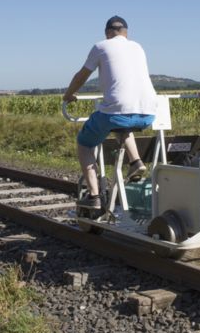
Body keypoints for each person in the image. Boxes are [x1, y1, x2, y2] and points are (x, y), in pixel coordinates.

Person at [63, 16, 157, 211]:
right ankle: (136, 161)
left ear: (107, 32)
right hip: (148, 111)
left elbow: (82, 75)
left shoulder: (101, 46)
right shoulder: (138, 47)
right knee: (122, 123)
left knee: (84, 143)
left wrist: (69, 94)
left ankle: (94, 196)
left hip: (117, 111)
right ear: (126, 32)